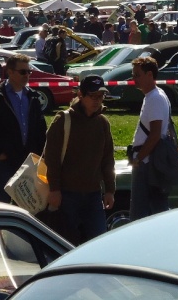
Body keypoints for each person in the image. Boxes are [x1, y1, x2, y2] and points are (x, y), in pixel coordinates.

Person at [43, 75, 115, 244]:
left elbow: (107, 159)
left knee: (98, 241)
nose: (97, 101)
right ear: (81, 95)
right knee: (66, 242)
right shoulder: (63, 120)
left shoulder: (102, 123)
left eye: (101, 96)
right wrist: (55, 189)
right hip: (67, 195)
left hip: (94, 195)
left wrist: (110, 190)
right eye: (93, 96)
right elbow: (51, 158)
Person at [0, 54, 47, 202]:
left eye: (29, 72)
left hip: (28, 163)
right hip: (4, 163)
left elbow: (40, 128)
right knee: (1, 206)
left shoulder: (32, 97)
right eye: (23, 72)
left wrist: (40, 155)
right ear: (10, 72)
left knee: (27, 207)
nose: (27, 75)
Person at [128, 56, 172, 220]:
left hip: (148, 164)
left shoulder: (154, 98)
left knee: (140, 215)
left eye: (137, 75)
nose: (134, 80)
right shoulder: (156, 95)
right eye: (133, 76)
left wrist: (138, 158)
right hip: (151, 162)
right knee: (157, 210)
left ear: (150, 75)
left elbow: (154, 134)